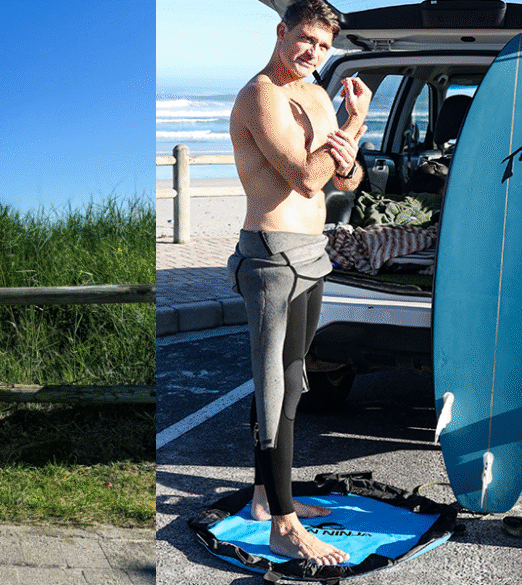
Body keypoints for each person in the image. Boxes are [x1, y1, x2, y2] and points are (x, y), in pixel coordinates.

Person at [226, 0, 371, 566]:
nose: (313, 52)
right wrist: (355, 121)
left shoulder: (316, 93)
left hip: (313, 253)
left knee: (293, 379)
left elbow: (346, 176)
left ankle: (267, 498)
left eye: (324, 46)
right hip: (270, 257)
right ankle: (283, 526)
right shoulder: (262, 94)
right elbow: (308, 179)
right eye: (306, 38)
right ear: (282, 31)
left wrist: (350, 146)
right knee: (272, 387)